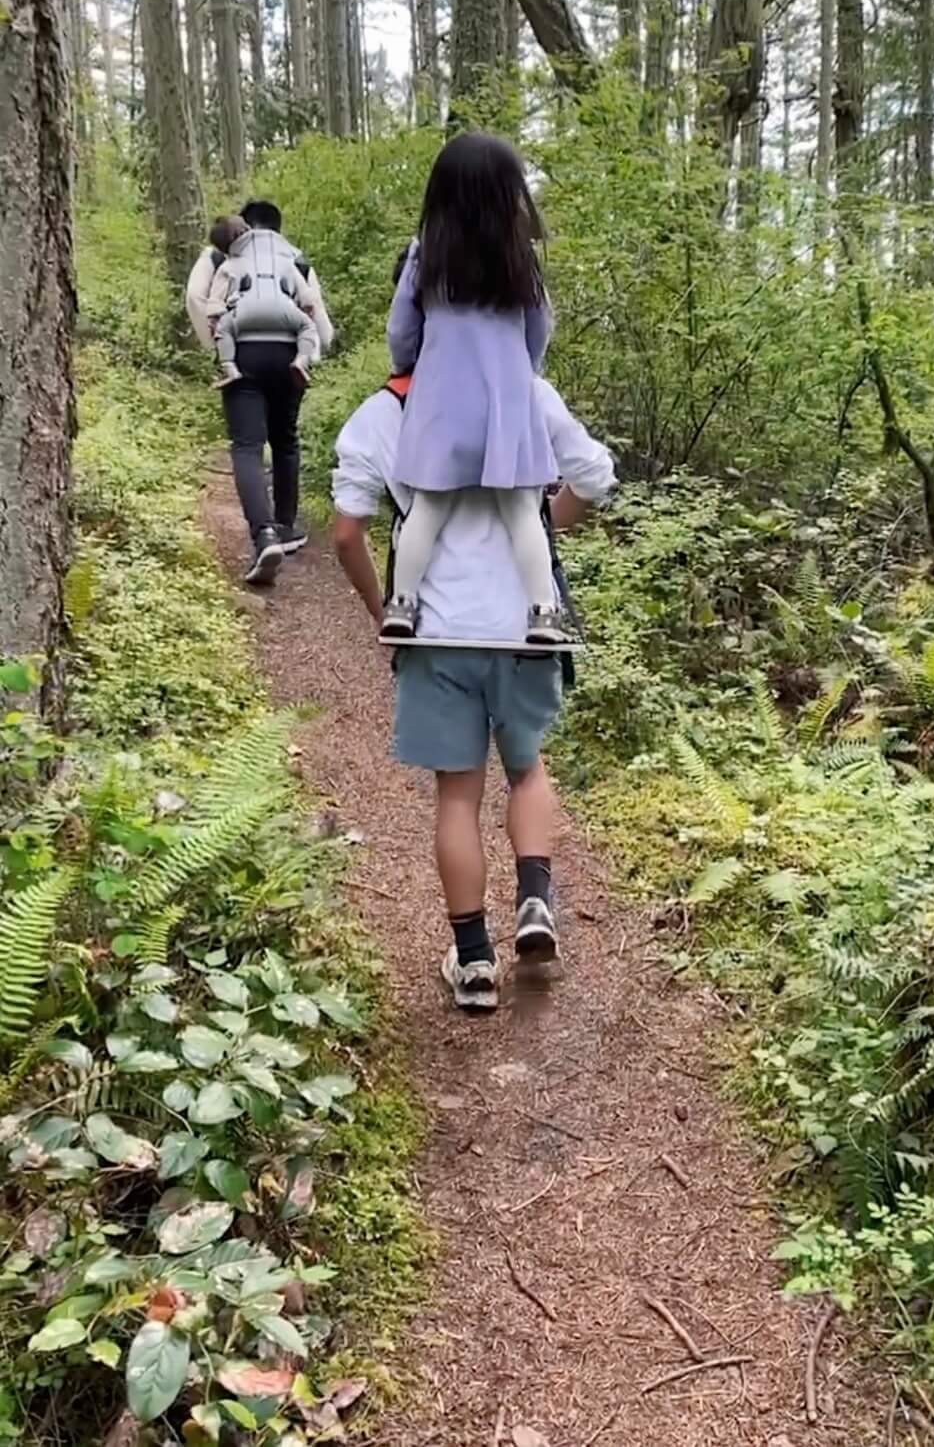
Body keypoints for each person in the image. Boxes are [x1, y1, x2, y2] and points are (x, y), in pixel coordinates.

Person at [331, 371, 616, 1011]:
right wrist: (543, 527)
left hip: (435, 634)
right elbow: (594, 478)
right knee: (527, 770)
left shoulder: (385, 409)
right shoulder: (528, 391)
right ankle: (536, 902)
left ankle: (475, 962)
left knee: (457, 795)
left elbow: (348, 533)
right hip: (525, 630)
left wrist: (383, 611)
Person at [379, 133, 567, 649]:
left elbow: (401, 331)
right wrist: (522, 371)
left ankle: (402, 604)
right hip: (508, 403)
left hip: (441, 399)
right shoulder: (519, 257)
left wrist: (407, 365)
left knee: (429, 510)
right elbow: (539, 327)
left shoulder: (426, 254)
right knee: (522, 512)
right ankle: (543, 611)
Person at [184, 200, 337, 585]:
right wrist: (310, 353)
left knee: (247, 446)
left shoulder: (219, 256)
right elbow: (316, 311)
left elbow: (194, 297)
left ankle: (263, 534)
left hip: (244, 350)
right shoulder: (293, 257)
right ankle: (285, 527)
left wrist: (217, 347)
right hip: (288, 351)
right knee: (285, 440)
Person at [200, 216, 322, 391]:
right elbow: (307, 297)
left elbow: (215, 302)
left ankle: (229, 369)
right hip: (284, 312)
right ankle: (301, 361)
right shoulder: (283, 261)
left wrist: (215, 321)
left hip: (243, 315)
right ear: (245, 232)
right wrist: (307, 310)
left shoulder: (229, 265)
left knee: (224, 330)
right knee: (307, 327)